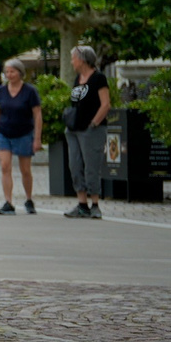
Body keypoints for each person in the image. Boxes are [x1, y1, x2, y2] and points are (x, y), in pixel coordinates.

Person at [64, 46, 112, 221]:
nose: (71, 62)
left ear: (82, 60)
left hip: (91, 130)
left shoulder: (98, 78)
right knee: (75, 165)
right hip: (74, 128)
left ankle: (95, 204)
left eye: (73, 58)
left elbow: (105, 104)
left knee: (92, 166)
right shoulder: (78, 78)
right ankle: (82, 203)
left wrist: (94, 123)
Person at [0, 60, 42, 216]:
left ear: (20, 72)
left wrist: (37, 138)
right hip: (4, 132)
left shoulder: (30, 91)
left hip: (24, 132)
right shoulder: (0, 91)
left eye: (12, 71)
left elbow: (37, 114)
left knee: (25, 169)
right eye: (7, 72)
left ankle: (28, 199)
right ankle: (8, 202)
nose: (9, 75)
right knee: (5, 166)